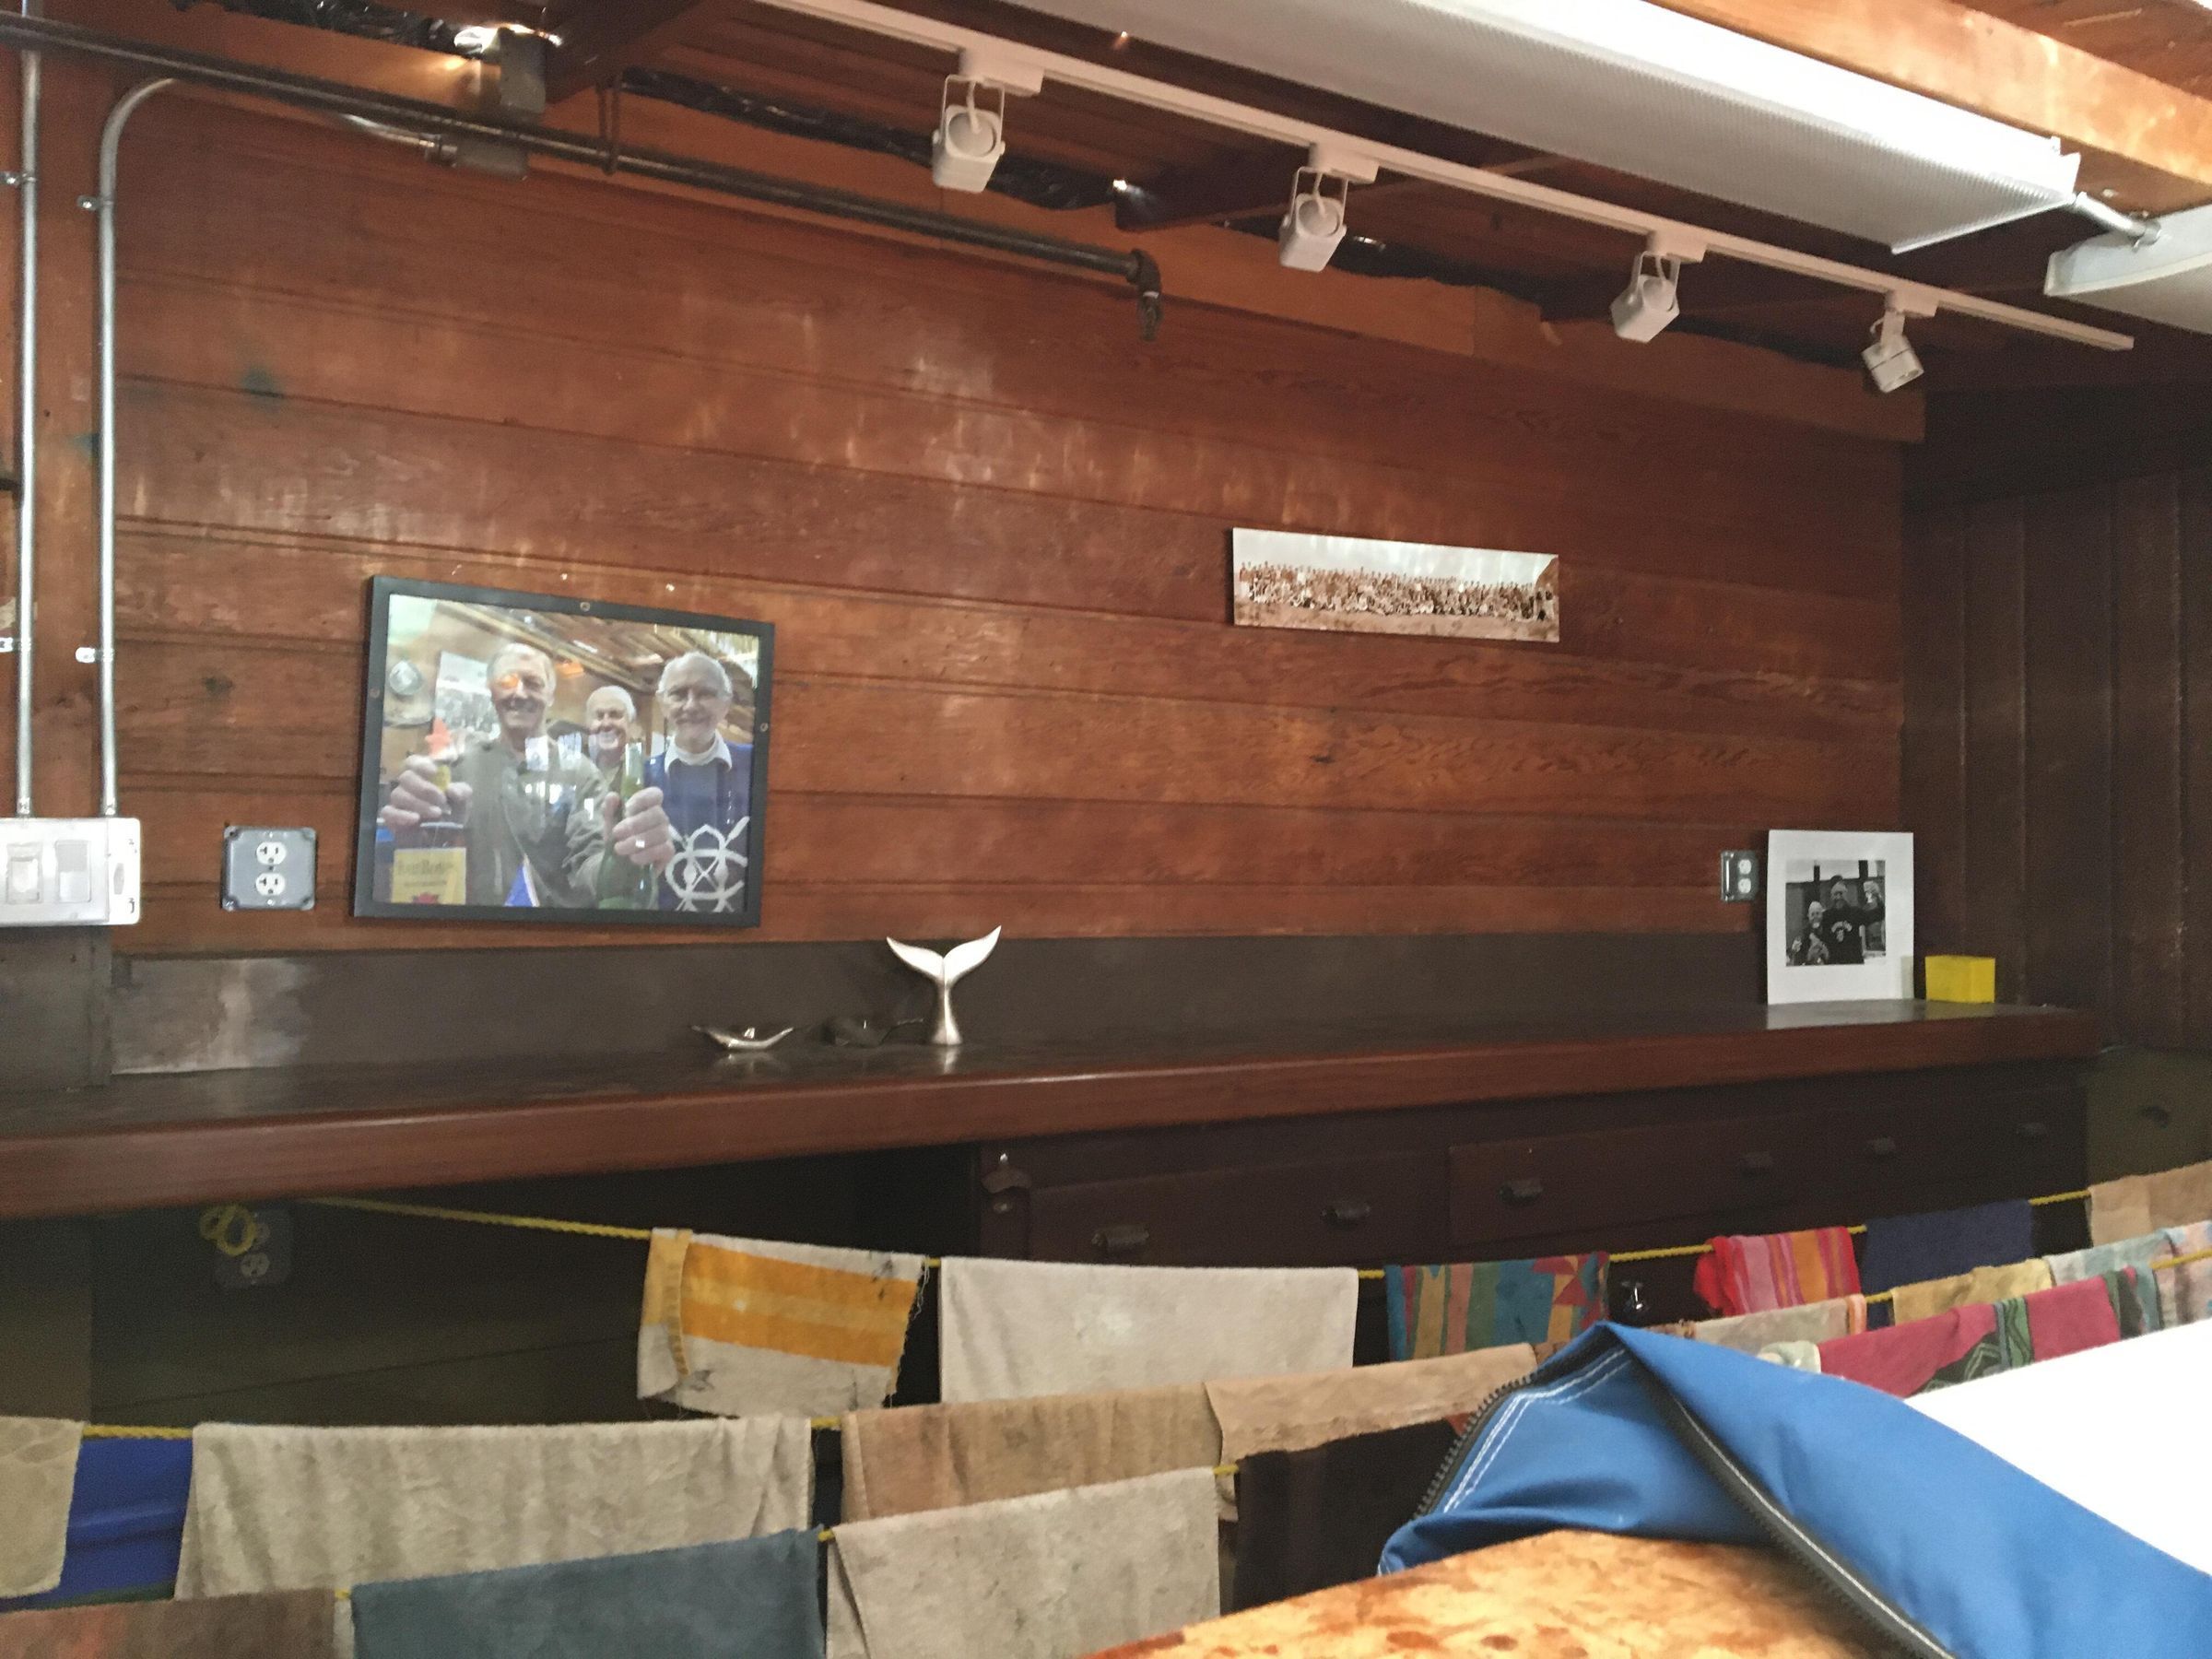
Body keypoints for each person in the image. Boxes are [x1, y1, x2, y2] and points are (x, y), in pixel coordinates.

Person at [377, 641, 606, 908]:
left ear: (551, 696)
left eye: (533, 683)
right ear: (491, 692)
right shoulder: (457, 765)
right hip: (468, 927)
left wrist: (620, 864)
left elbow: (591, 863)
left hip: (546, 930)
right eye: (507, 681)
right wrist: (410, 833)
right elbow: (429, 852)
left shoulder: (582, 774)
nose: (519, 693)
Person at [582, 651, 754, 913]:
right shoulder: (636, 780)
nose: (691, 705)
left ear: (726, 703)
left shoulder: (756, 765)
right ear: (662, 703)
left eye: (705, 693)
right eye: (678, 694)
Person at [1815, 876, 1884, 966]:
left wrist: (1877, 896)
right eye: (1835, 894)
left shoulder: (1855, 913)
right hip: (1833, 967)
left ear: (1846, 894)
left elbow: (1880, 914)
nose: (1838, 897)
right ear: (1831, 895)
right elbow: (1815, 936)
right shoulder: (1825, 917)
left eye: (1841, 893)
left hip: (1854, 966)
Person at [582, 685, 638, 782]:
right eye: (599, 716)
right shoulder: (571, 765)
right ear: (587, 723)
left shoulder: (646, 771)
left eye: (615, 715)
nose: (606, 724)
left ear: (631, 722)